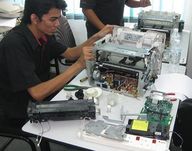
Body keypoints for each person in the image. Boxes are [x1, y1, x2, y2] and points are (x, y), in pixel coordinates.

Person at [0, 0, 113, 130]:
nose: (57, 24)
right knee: (82, 120)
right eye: (53, 19)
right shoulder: (15, 44)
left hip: (41, 95)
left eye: (58, 18)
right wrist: (78, 65)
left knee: (91, 107)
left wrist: (97, 36)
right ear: (35, 18)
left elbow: (70, 54)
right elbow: (37, 93)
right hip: (19, 109)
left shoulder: (44, 34)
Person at [80, 0, 151, 38]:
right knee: (96, 60)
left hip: (117, 29)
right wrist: (104, 29)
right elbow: (86, 9)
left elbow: (127, 1)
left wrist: (140, 4)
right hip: (98, 31)